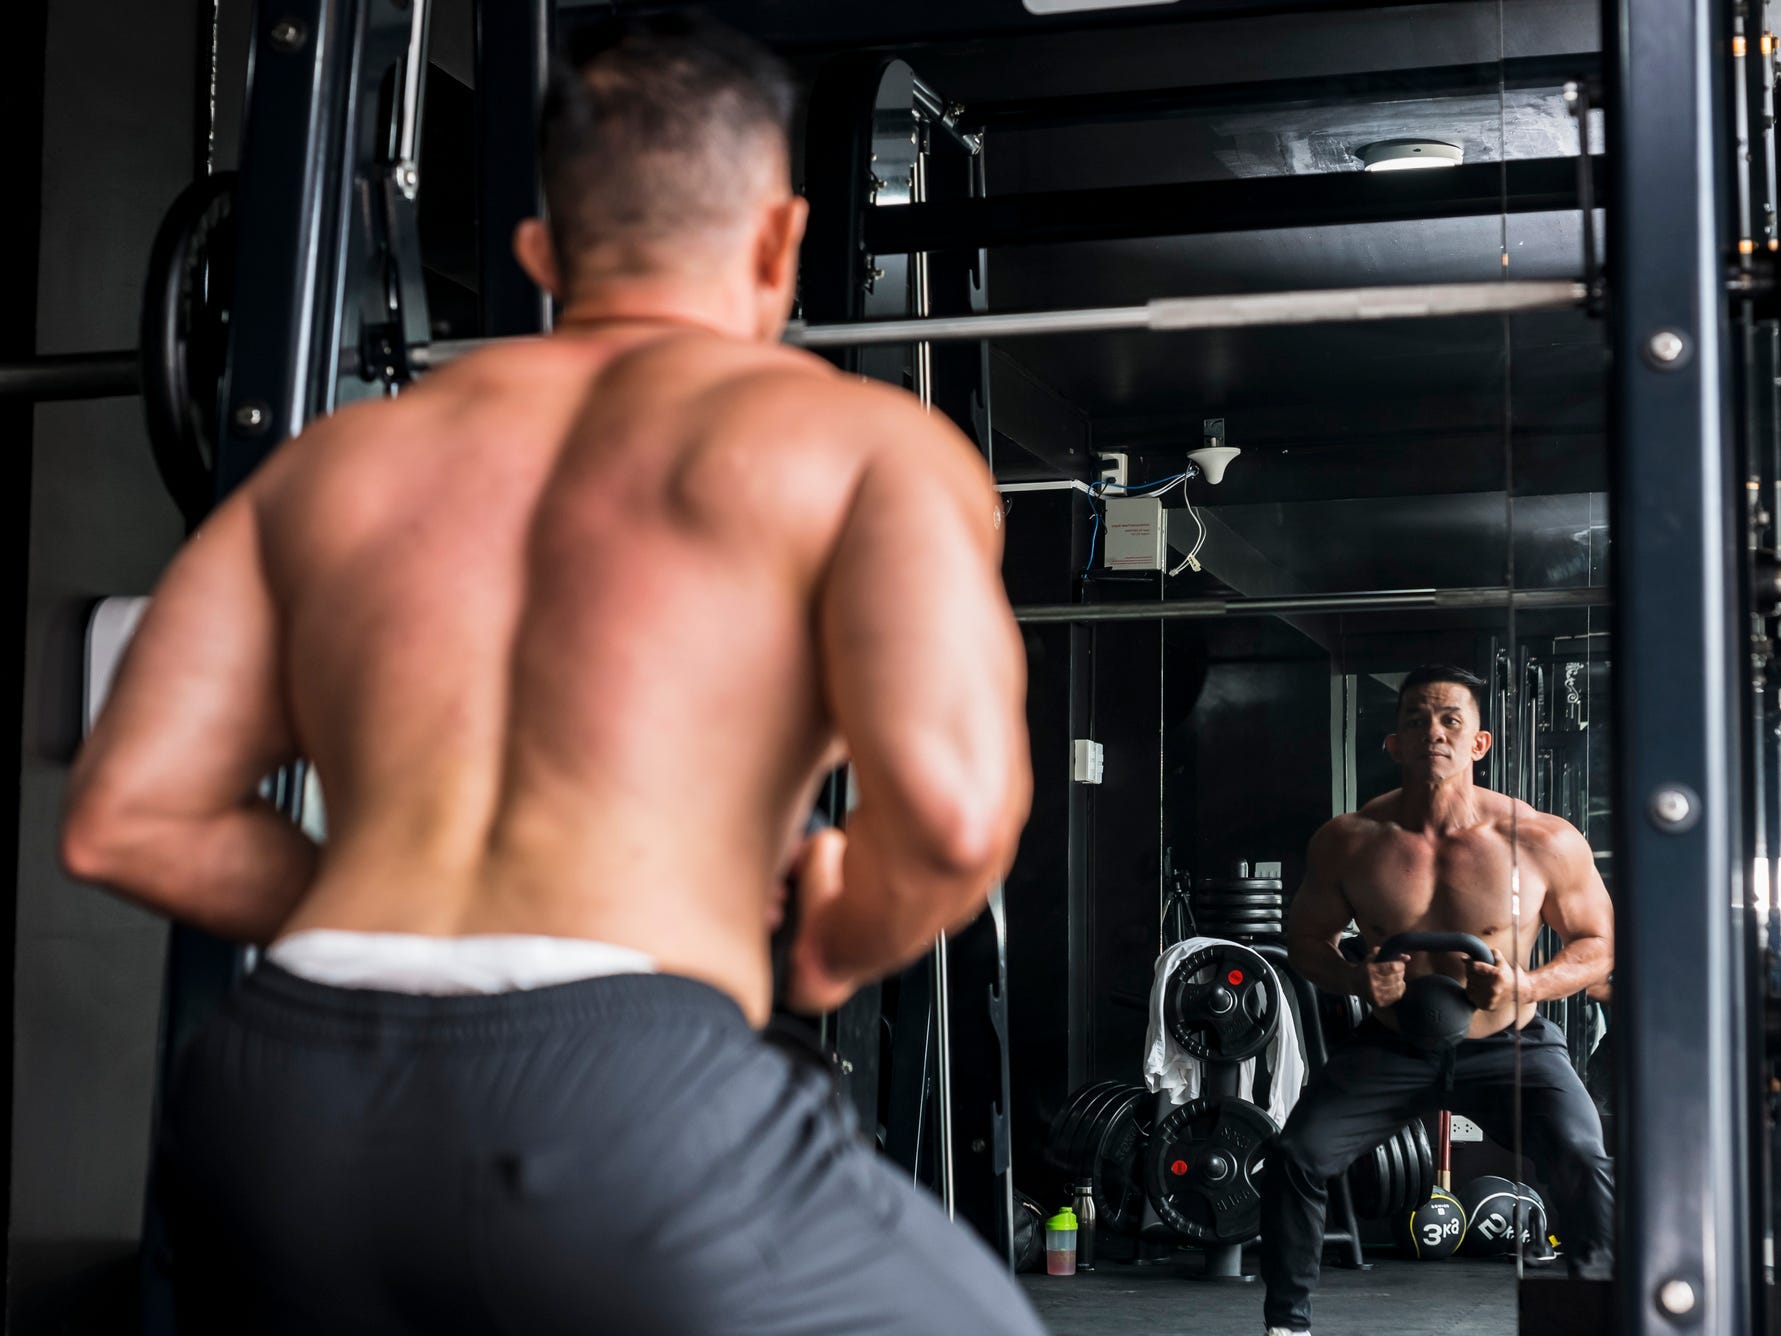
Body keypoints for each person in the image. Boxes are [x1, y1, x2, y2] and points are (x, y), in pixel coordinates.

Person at [60, 15, 1041, 1335]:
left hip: (277, 1104)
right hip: (626, 1102)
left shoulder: (332, 470)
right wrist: (824, 947)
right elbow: (955, 823)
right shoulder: (860, 446)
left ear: (540, 253)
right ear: (778, 243)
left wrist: (379, 939)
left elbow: (128, 820)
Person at [1260, 664, 1614, 1336]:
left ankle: (1601, 1312)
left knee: (1581, 1156)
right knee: (1295, 1155)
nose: (1433, 732)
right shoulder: (1348, 841)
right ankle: (1287, 1325)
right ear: (1391, 743)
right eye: (1416, 719)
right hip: (1391, 1045)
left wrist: (1526, 985)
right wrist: (1355, 980)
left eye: (1450, 718)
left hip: (1509, 1043)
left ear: (1478, 743)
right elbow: (1307, 943)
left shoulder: (1541, 839)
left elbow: (1598, 946)